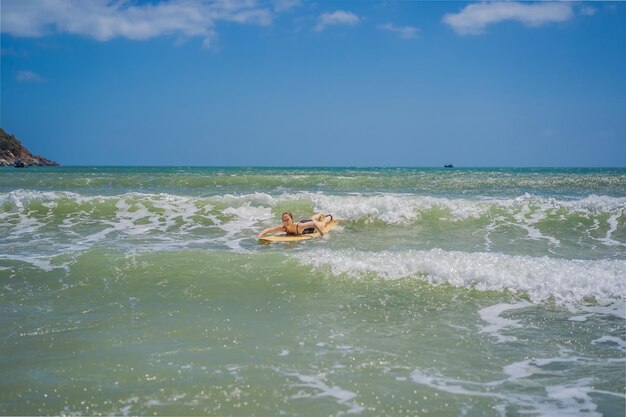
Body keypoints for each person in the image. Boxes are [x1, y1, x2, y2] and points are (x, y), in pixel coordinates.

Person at [257, 212, 333, 238]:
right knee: (311, 219)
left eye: (287, 220)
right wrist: (260, 235)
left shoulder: (298, 226)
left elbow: (313, 224)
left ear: (291, 219)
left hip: (310, 227)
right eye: (284, 220)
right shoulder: (283, 228)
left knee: (323, 224)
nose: (286, 222)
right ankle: (319, 214)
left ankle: (329, 216)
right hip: (304, 223)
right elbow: (269, 230)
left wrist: (322, 234)